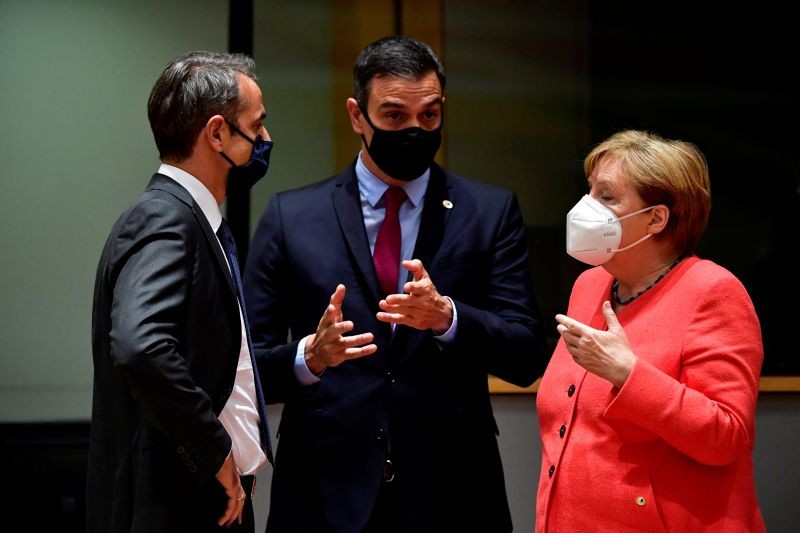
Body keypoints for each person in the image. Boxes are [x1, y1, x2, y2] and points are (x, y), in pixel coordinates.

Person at [243, 35, 547, 532]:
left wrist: (449, 318)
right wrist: (310, 357)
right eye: (393, 116)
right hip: (326, 491)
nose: (414, 129)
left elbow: (526, 354)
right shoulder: (291, 217)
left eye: (429, 116)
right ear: (357, 115)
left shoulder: (489, 213)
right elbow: (247, 368)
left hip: (454, 492)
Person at [536, 129, 765, 532]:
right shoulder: (589, 285)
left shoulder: (713, 291)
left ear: (656, 218)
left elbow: (727, 436)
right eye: (589, 192)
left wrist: (629, 374)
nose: (585, 208)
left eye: (606, 197)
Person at [87, 51, 275, 533]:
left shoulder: (189, 219)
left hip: (201, 499)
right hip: (175, 505)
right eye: (257, 127)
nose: (266, 141)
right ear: (217, 133)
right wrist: (214, 451)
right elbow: (140, 345)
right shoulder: (166, 218)